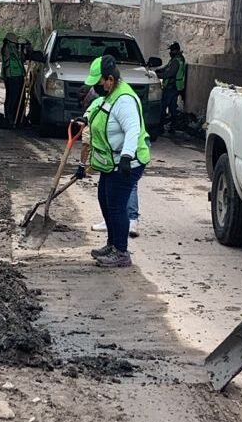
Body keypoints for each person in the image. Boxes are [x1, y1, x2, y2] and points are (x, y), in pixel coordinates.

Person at [80, 56, 151, 268]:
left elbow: (133, 129)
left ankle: (121, 252)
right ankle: (112, 244)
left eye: (98, 82)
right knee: (104, 198)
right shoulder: (109, 96)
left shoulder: (125, 100)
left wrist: (127, 156)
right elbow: (97, 107)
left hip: (128, 162)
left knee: (117, 206)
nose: (96, 87)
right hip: (112, 161)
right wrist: (84, 117)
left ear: (109, 79)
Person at [154, 42, 187, 129]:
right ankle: (173, 126)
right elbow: (166, 67)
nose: (170, 52)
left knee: (163, 106)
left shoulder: (176, 61)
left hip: (171, 87)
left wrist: (157, 75)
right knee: (172, 108)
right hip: (176, 87)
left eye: (171, 50)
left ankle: (160, 126)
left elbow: (170, 73)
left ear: (175, 50)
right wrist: (158, 70)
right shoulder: (178, 59)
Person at [1, 32, 26, 121]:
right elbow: (13, 56)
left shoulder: (15, 49)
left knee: (20, 98)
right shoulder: (7, 49)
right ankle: (10, 117)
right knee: (12, 98)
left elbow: (22, 59)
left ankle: (18, 117)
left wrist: (22, 49)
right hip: (11, 76)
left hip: (19, 75)